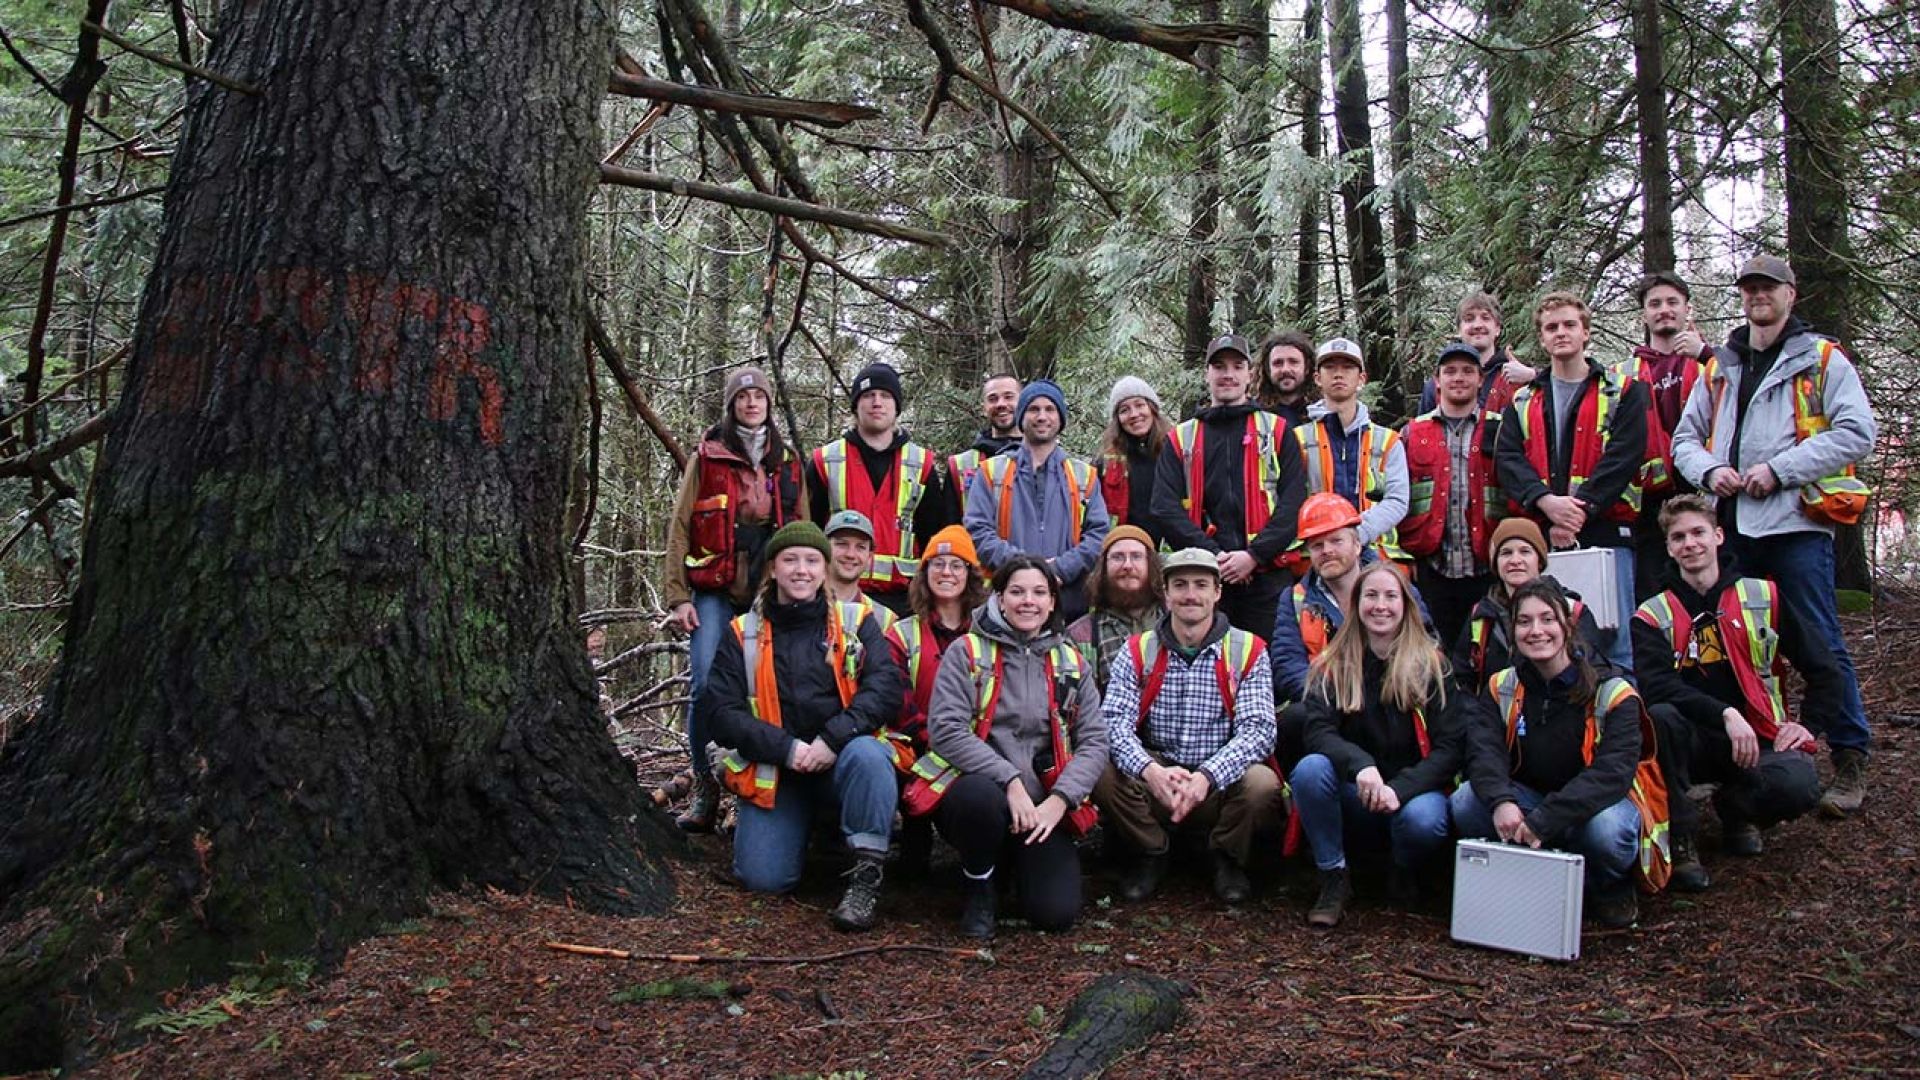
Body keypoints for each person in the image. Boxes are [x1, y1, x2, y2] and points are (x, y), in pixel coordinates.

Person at [1670, 254, 1877, 817]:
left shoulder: (1822, 358)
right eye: (1750, 288)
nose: (1758, 296)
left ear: (1791, 293)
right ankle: (1752, 754)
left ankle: (1850, 754)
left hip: (1796, 524)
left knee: (1817, 643)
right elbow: (1684, 439)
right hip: (1733, 527)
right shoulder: (1723, 364)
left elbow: (1858, 431)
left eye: (1768, 287)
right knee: (1735, 644)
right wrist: (1711, 473)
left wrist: (1781, 470)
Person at [701, 521, 906, 931]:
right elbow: (721, 714)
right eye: (790, 560)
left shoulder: (857, 621)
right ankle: (804, 834)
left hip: (842, 760)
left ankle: (864, 877)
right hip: (779, 770)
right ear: (773, 568)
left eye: (812, 561)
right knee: (764, 879)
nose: (801, 570)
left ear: (824, 569)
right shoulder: (743, 632)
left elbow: (885, 691)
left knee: (869, 754)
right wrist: (788, 749)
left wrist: (832, 740)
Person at [1634, 496, 1832, 889]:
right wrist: (1724, 713)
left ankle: (1736, 809)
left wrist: (1809, 725)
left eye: (1697, 533)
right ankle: (1683, 833)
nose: (1689, 544)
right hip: (1690, 740)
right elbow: (1657, 685)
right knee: (1659, 717)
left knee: (1799, 785)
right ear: (1669, 548)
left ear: (1718, 536)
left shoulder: (1763, 596)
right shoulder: (1652, 613)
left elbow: (1824, 668)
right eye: (1678, 537)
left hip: (1757, 736)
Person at [917, 556, 1108, 937]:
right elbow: (947, 730)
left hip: (1043, 804)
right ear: (999, 598)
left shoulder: (1070, 661)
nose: (1028, 601)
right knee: (978, 800)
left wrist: (1061, 800)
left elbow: (1095, 741)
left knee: (1056, 914)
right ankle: (980, 884)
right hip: (978, 792)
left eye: (1039, 593)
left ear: (1053, 602)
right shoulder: (967, 652)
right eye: (1017, 592)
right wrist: (1009, 780)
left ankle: (1012, 863)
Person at [1450, 580, 1649, 929]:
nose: (1536, 631)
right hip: (1529, 801)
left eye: (1547, 619)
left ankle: (1608, 885)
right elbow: (1484, 751)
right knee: (1466, 801)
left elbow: (1613, 774)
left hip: (1594, 807)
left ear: (1567, 627)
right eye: (1524, 622)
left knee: (1607, 832)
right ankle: (1524, 883)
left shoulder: (1614, 692)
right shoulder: (1501, 687)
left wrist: (1546, 819)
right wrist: (1501, 801)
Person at [663, 365, 806, 832]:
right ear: (731, 406)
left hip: (768, 592)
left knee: (762, 692)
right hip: (713, 590)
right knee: (707, 684)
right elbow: (681, 524)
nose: (751, 404)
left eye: (758, 397)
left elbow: (803, 531)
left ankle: (743, 789)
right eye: (742, 398)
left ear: (768, 404)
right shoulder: (707, 457)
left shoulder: (787, 463)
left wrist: (803, 594)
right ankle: (705, 786)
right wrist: (677, 597)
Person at [1291, 563, 1472, 927]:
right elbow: (1317, 731)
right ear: (1357, 604)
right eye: (1371, 596)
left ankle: (1403, 871)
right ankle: (1333, 876)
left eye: (1391, 596)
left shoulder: (1433, 666)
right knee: (1310, 770)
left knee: (1424, 820)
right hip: (1356, 791)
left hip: (1414, 792)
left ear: (1406, 605)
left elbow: (1450, 747)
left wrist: (1399, 789)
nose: (1380, 605)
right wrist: (1361, 767)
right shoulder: (1333, 664)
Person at [1097, 548, 1279, 904]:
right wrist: (1150, 771)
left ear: (1218, 592)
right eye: (1179, 585)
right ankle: (1152, 850)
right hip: (1158, 779)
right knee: (1100, 770)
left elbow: (1259, 731)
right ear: (1165, 594)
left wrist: (1207, 776)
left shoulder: (1248, 650)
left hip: (1217, 784)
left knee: (1262, 783)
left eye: (1200, 585)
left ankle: (1224, 856)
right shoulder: (1137, 650)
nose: (1190, 595)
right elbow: (1113, 724)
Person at [1494, 291, 1649, 672]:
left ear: (1586, 332)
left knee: (1616, 641)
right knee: (1550, 638)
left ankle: (1621, 723)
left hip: (1608, 533)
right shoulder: (1522, 400)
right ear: (1542, 338)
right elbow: (1509, 459)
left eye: (1568, 325)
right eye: (1551, 327)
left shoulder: (1622, 391)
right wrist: (1547, 504)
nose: (1560, 333)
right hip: (1544, 536)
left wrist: (1579, 511)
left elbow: (1624, 456)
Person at [1152, 333, 1309, 638]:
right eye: (1219, 367)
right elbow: (1164, 507)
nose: (1228, 375)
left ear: (1250, 374)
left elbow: (1294, 502)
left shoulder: (1276, 430)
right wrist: (1214, 556)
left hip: (1268, 576)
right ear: (1206, 374)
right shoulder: (1180, 438)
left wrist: (1253, 555)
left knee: (1269, 665)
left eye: (1237, 366)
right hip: (1201, 577)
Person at [1271, 494, 1437, 770]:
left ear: (1357, 544)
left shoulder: (1396, 585)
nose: (1326, 551)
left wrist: (1376, 694)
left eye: (1336, 541)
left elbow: (1427, 642)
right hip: (1329, 707)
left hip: (1391, 700)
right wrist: (1337, 697)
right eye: (1317, 545)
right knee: (1294, 718)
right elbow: (1287, 666)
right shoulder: (1294, 599)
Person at [885, 525, 988, 875]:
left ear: (970, 575)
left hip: (977, 747)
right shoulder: (901, 633)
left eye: (957, 565)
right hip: (916, 744)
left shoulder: (989, 633)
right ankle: (914, 838)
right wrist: (932, 738)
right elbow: (894, 698)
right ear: (924, 573)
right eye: (937, 564)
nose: (946, 573)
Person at [809, 361, 951, 615]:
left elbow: (933, 535)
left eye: (885, 395)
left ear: (897, 407)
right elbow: (810, 530)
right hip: (838, 594)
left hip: (904, 598)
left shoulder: (921, 463)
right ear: (855, 406)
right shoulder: (825, 460)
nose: (877, 402)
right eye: (868, 395)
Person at [965, 379, 1109, 625]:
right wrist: (1024, 570)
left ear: (1060, 419)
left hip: (1069, 604)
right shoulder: (991, 472)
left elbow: (1098, 535)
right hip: (1005, 603)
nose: (1042, 416)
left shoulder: (1083, 475)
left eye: (1050, 409)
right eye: (1033, 409)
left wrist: (1061, 569)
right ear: (1021, 417)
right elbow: (978, 531)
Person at [1400, 341, 1503, 647]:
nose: (1459, 378)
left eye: (1468, 371)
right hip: (1431, 567)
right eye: (1450, 371)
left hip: (1487, 564)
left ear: (1481, 380)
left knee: (1485, 650)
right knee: (1434, 652)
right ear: (1437, 379)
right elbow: (1397, 499)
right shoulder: (1412, 433)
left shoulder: (1501, 428)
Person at [1618, 272, 1710, 601]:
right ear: (1644, 314)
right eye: (1654, 304)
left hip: (1701, 487)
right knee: (1652, 587)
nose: (1664, 310)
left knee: (1703, 580)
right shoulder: (1626, 372)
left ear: (1688, 309)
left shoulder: (1709, 362)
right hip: (1647, 498)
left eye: (1672, 302)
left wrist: (1705, 353)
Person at [1452, 517, 1608, 695]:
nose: (1515, 560)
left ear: (1540, 561)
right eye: (1506, 553)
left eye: (1525, 551)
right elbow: (1463, 681)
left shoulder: (1572, 611)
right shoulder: (1480, 615)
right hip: (1494, 717)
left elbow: (1594, 673)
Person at [1294, 336, 1410, 560]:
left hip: (1376, 556)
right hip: (1318, 556)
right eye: (1330, 367)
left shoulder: (1388, 442)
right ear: (1318, 378)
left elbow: (1397, 500)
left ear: (1362, 378)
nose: (1339, 374)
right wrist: (1330, 538)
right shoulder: (1298, 439)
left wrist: (1357, 534)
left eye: (1348, 367)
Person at [1066, 525, 1166, 691]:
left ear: (1151, 565)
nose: (1127, 565)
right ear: (1103, 569)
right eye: (1118, 557)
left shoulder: (1175, 622)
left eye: (1136, 556)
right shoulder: (1080, 635)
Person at [1417, 291, 1534, 415]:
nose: (1478, 325)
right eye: (1469, 319)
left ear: (1498, 329)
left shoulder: (1518, 376)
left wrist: (1533, 377)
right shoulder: (1439, 384)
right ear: (1459, 330)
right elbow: (1422, 430)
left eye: (1485, 318)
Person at [1097, 376, 1172, 545]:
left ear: (1152, 409)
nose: (1134, 414)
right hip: (1124, 553)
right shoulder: (1105, 462)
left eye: (1139, 405)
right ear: (1117, 420)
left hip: (1173, 554)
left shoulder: (1177, 453)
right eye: (1124, 410)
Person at [947, 372, 1023, 511]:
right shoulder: (960, 466)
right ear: (984, 408)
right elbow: (950, 527)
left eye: (1009, 397)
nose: (1001, 404)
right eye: (993, 399)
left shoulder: (1043, 459)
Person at [823, 510, 898, 633]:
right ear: (824, 549)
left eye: (860, 547)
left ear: (869, 557)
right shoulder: (802, 605)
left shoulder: (885, 620)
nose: (850, 554)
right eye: (842, 544)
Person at [1254, 329, 1314, 428]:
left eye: (1293, 362)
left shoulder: (1322, 413)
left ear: (1307, 368)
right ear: (1268, 370)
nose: (1285, 369)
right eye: (1278, 363)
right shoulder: (1255, 416)